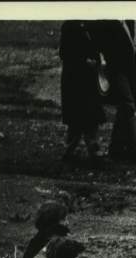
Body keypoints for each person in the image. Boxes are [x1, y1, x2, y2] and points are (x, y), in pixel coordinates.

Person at [93, 20, 136, 163]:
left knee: (124, 107)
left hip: (130, 66)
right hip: (116, 66)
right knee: (128, 104)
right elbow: (102, 40)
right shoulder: (113, 19)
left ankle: (116, 148)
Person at [58, 21, 105, 163]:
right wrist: (84, 61)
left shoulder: (90, 26)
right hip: (75, 79)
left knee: (89, 116)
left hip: (87, 79)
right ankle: (71, 150)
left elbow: (95, 49)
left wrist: (95, 60)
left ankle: (91, 149)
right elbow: (64, 53)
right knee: (77, 117)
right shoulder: (70, 26)